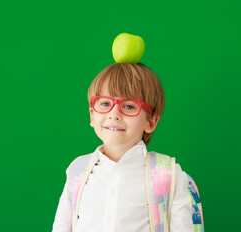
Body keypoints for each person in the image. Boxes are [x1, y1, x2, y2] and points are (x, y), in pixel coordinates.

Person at [52, 62, 194, 232]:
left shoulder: (169, 175)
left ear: (151, 122)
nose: (114, 114)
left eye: (128, 106)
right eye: (104, 103)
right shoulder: (77, 171)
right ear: (91, 113)